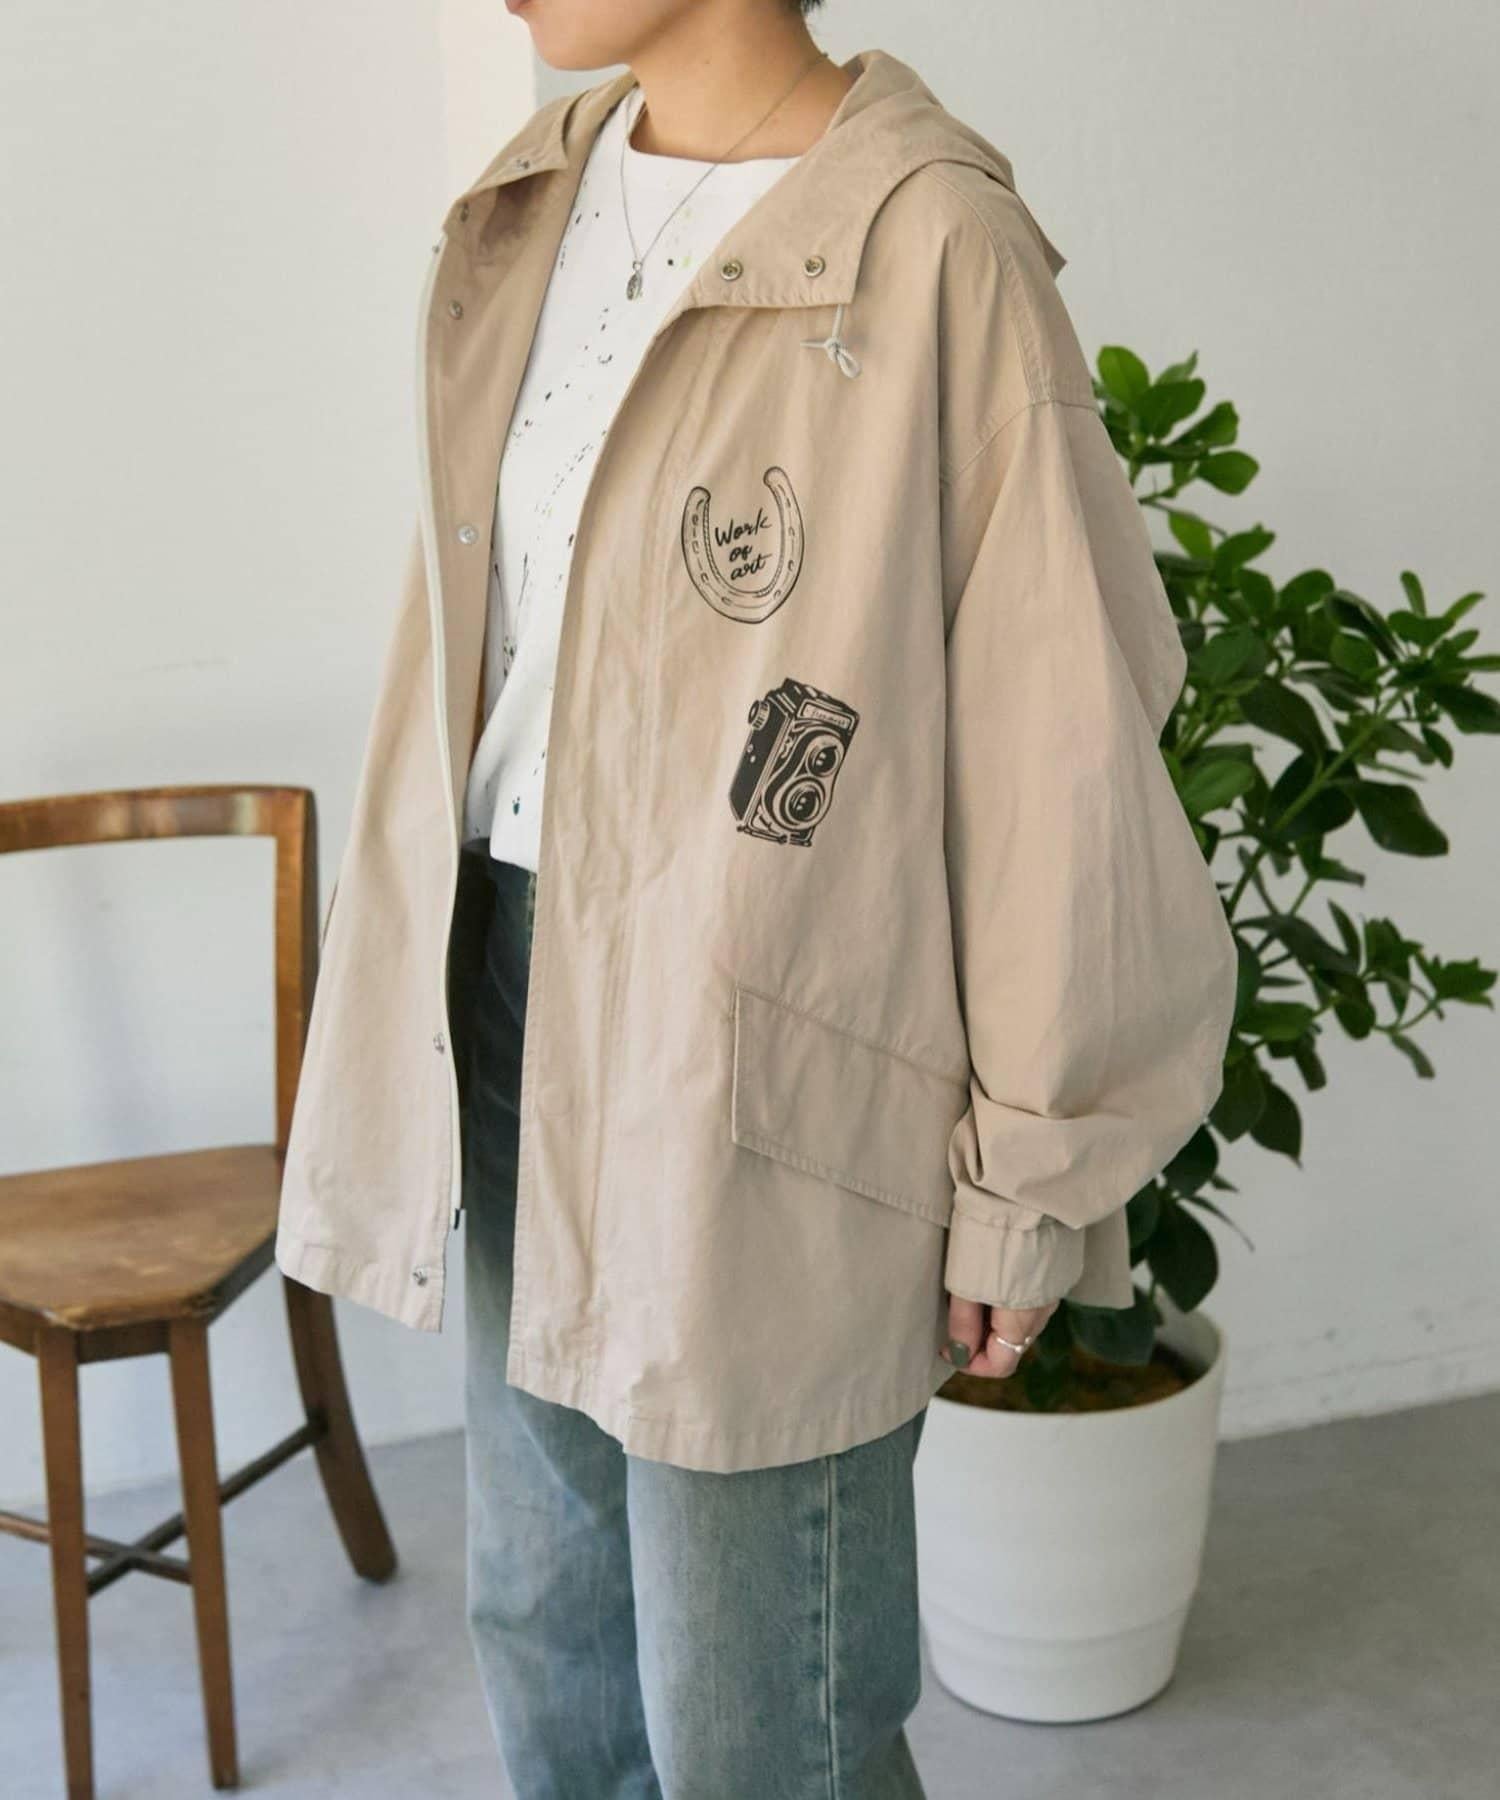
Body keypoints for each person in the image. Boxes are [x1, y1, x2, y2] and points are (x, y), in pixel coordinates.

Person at [275, 3, 1240, 1793]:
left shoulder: (930, 241)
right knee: (548, 1634)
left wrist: (1028, 1175)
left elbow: (1059, 753)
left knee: (756, 1720)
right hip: (499, 975)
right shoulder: (533, 197)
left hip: (756, 1035)